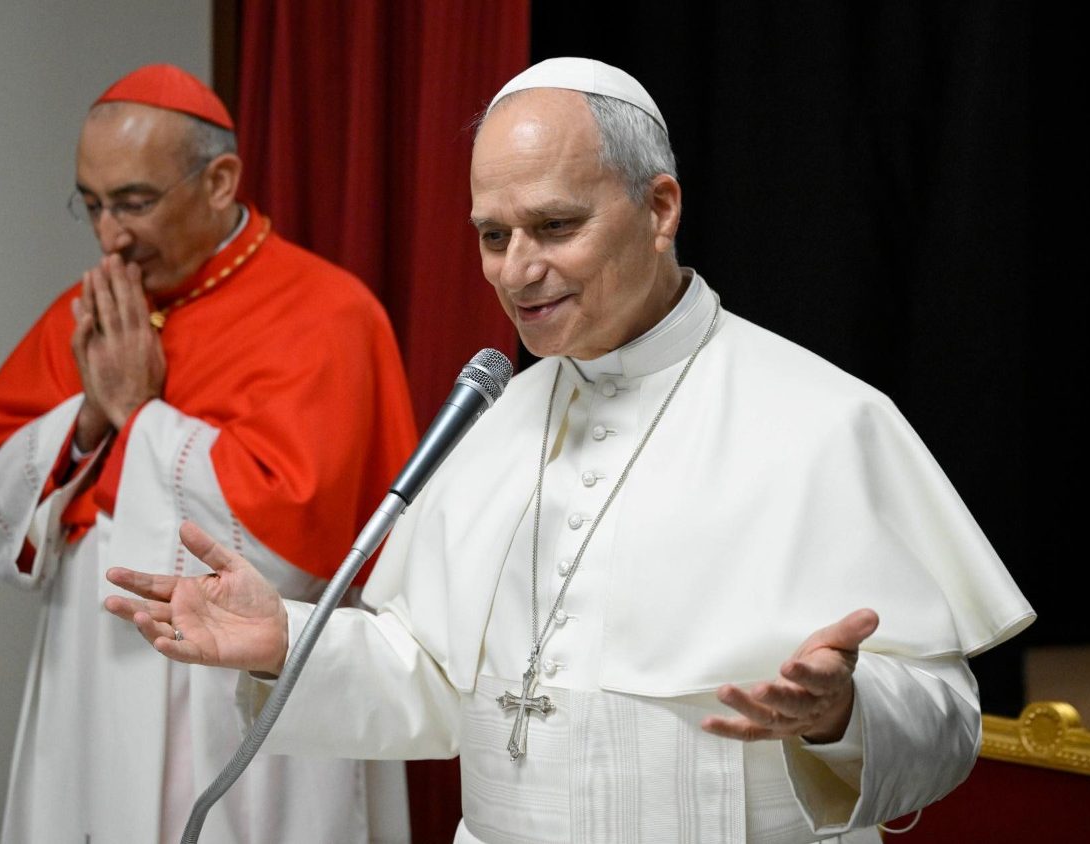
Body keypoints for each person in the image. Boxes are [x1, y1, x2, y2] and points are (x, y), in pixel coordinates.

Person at [104, 58, 1035, 843]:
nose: (516, 270)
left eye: (555, 227)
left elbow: (949, 726)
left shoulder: (825, 420)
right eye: (492, 236)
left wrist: (843, 718)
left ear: (659, 206)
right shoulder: (493, 423)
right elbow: (429, 682)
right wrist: (287, 644)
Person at [0, 64, 416, 844]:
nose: (108, 235)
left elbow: (292, 547)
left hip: (245, 682)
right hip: (88, 676)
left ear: (221, 180)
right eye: (90, 204)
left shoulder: (328, 312)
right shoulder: (91, 312)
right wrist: (93, 414)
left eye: (133, 202)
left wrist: (139, 412)